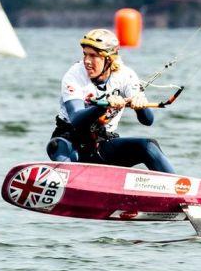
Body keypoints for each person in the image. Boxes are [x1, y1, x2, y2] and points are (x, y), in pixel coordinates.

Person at [47, 28, 175, 172]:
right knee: (57, 147)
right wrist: (104, 106)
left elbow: (148, 120)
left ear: (108, 59)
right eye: (85, 55)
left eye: (93, 56)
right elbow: (77, 119)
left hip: (102, 142)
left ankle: (180, 189)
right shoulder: (74, 75)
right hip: (70, 140)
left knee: (148, 147)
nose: (87, 61)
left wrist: (141, 107)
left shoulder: (126, 76)